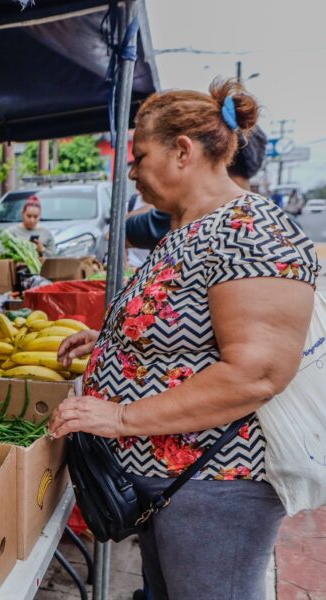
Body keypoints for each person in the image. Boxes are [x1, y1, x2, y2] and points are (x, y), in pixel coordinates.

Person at [49, 79, 319, 600]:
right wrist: (112, 342)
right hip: (172, 483)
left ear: (182, 151)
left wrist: (121, 417)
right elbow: (188, 327)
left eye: (139, 156)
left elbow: (257, 372)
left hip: (213, 487)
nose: (131, 172)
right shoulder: (191, 226)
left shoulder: (250, 230)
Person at [125, 125, 267, 249]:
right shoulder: (269, 219)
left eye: (141, 157)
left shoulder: (186, 213)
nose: (132, 174)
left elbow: (118, 233)